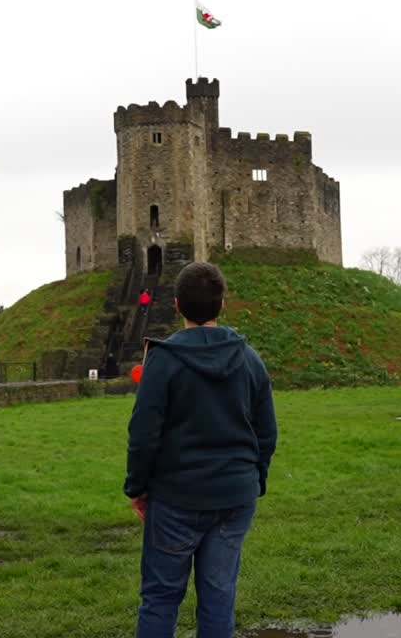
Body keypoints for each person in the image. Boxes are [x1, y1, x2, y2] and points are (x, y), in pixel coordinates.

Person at [124, 261, 277, 638]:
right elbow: (266, 433)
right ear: (222, 304)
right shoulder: (250, 359)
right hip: (234, 497)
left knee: (161, 598)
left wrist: (137, 488)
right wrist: (253, 480)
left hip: (176, 497)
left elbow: (143, 433)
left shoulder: (162, 361)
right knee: (219, 597)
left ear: (176, 306)